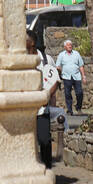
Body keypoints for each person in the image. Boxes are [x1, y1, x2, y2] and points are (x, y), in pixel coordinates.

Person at [28, 30, 60, 169]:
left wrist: (47, 96)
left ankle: (47, 167)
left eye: (31, 46)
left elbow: (56, 81)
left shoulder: (47, 60)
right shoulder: (21, 61)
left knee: (44, 140)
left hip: (42, 108)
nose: (29, 50)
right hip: (27, 108)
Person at [55, 39, 86, 116]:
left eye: (71, 45)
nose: (70, 46)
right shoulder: (61, 55)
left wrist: (83, 76)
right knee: (67, 94)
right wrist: (60, 71)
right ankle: (69, 110)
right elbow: (57, 66)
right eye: (68, 45)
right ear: (65, 46)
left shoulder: (76, 54)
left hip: (77, 76)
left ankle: (78, 107)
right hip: (66, 77)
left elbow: (81, 65)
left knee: (79, 93)